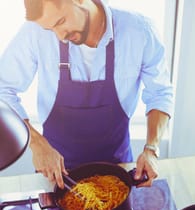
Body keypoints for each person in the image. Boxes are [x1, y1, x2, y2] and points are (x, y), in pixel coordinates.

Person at [0, 0, 174, 188]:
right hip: (57, 175)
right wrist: (36, 143)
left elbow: (160, 93)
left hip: (118, 170)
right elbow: (3, 90)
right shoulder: (34, 33)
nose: (60, 37)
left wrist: (151, 149)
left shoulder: (140, 32)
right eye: (51, 30)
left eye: (60, 22)